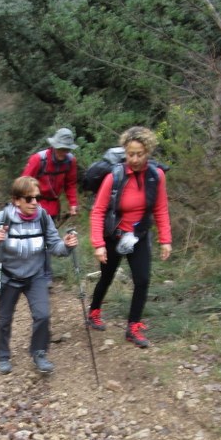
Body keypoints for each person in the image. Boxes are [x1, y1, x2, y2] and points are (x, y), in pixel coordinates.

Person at [0, 176, 78, 375]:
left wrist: (66, 246)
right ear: (16, 200)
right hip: (7, 275)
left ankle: (39, 352)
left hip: (36, 275)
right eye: (29, 198)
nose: (34, 202)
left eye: (37, 198)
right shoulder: (3, 218)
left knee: (43, 315)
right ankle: (3, 356)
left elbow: (55, 246)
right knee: (4, 319)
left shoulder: (43, 217)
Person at [87, 126, 172, 348]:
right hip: (114, 236)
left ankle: (133, 326)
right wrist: (98, 244)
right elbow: (98, 210)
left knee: (142, 280)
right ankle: (94, 311)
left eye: (139, 154)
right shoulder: (114, 177)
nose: (134, 159)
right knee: (106, 276)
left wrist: (166, 239)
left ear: (148, 153)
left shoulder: (156, 176)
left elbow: (161, 208)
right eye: (130, 154)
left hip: (138, 236)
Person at [21, 127, 79, 225]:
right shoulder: (38, 159)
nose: (64, 153)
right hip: (34, 206)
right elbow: (22, 184)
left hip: (53, 208)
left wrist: (73, 203)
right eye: (61, 149)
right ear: (54, 146)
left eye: (67, 150)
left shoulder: (70, 161)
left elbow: (70, 184)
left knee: (49, 238)